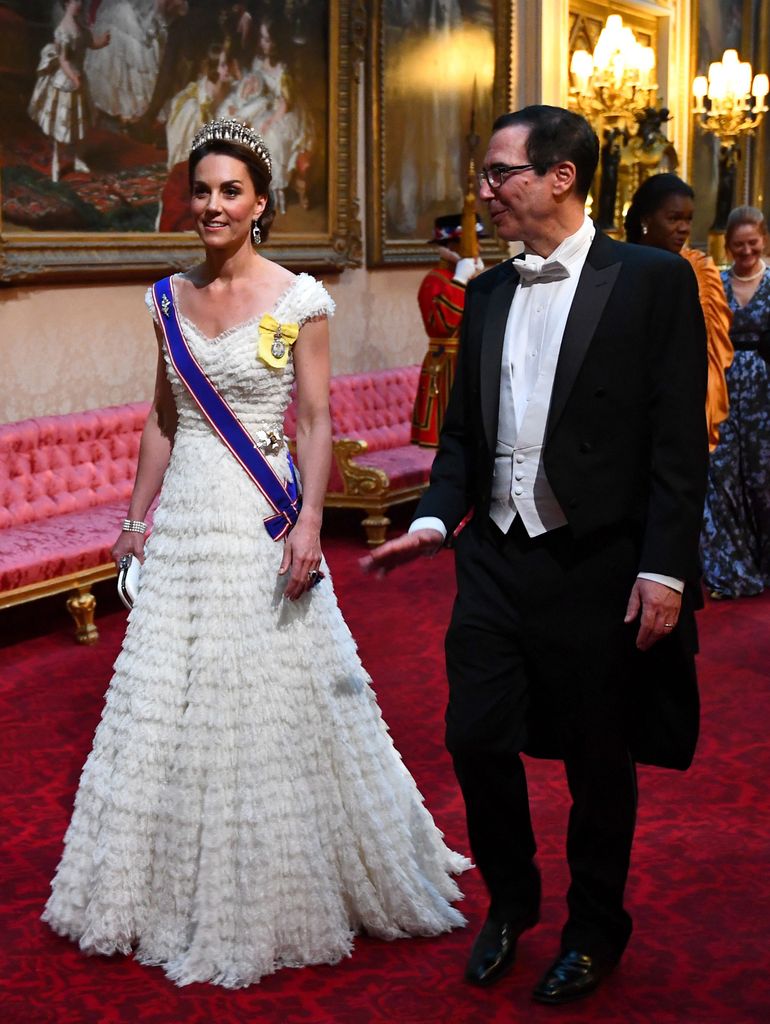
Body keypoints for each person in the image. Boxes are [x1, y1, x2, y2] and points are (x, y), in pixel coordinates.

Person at [42, 117, 469, 989]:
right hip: (186, 527)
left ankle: (278, 880)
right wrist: (135, 520)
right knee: (168, 697)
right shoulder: (166, 299)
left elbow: (314, 419)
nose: (213, 205)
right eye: (201, 190)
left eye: (230, 191)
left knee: (261, 686)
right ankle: (163, 884)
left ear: (260, 204)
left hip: (261, 516)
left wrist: (310, 521)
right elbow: (163, 418)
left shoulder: (298, 299)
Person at [366, 105, 708, 1005]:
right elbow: (461, 441)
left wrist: (665, 569)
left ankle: (594, 929)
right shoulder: (485, 293)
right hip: (495, 557)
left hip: (598, 563)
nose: (484, 190)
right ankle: (511, 902)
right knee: (473, 735)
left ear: (561, 176)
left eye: (500, 173)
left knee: (599, 758)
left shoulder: (652, 280)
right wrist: (434, 520)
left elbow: (679, 441)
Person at [625, 173, 734, 451]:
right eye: (674, 219)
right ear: (646, 219)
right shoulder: (620, 268)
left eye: (689, 219)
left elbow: (710, 351)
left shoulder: (699, 269)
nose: (684, 228)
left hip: (682, 402)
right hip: (629, 399)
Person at [701, 206, 770, 598]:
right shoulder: (717, 284)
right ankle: (732, 569)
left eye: (753, 243)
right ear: (727, 245)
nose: (746, 251)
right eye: (739, 245)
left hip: (764, 390)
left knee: (762, 479)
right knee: (722, 477)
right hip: (722, 389)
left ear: (764, 241)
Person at [412, 213, 485, 447]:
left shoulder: (473, 278)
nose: (478, 248)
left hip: (471, 360)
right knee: (450, 440)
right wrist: (460, 281)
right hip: (447, 366)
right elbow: (442, 326)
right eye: (472, 242)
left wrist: (481, 281)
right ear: (451, 246)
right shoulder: (435, 280)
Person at [27, 0, 111, 182]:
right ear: (66, 3)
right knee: (61, 126)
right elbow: (63, 60)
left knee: (80, 123)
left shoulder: (80, 24)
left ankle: (78, 158)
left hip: (79, 79)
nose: (80, 4)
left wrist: (102, 42)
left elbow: (89, 42)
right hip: (65, 82)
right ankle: (56, 162)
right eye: (75, 1)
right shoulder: (63, 30)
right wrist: (74, 77)